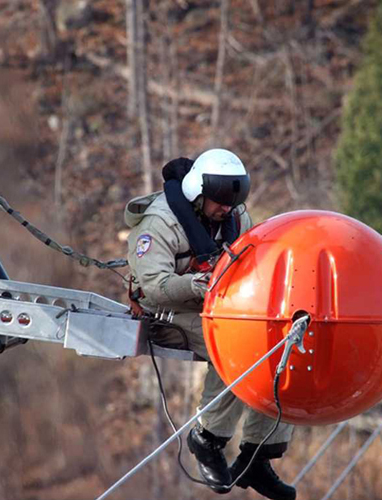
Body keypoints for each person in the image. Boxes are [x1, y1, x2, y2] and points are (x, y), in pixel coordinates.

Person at [124, 149, 297, 500]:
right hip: (166, 309)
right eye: (219, 202)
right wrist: (195, 285)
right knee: (239, 348)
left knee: (283, 347)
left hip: (219, 304)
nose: (226, 209)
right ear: (197, 195)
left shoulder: (235, 219)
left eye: (231, 202)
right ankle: (208, 438)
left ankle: (258, 456)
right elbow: (155, 287)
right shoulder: (159, 224)